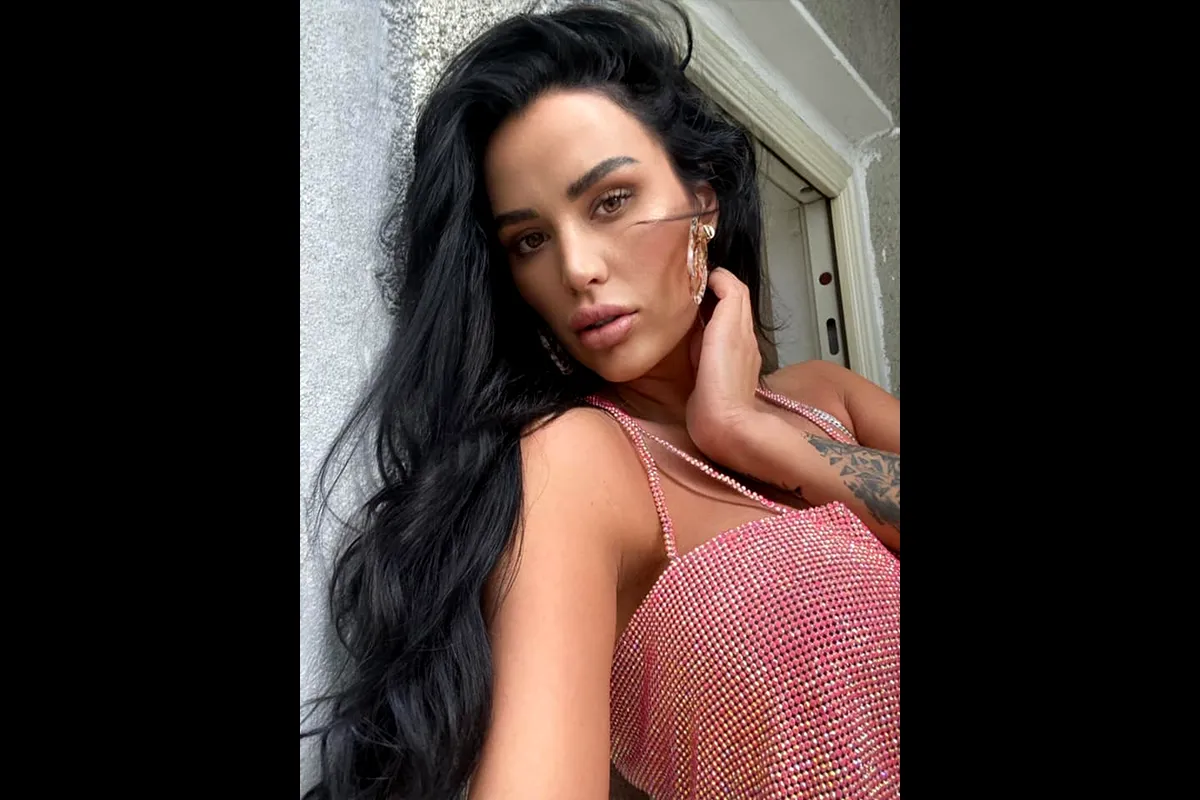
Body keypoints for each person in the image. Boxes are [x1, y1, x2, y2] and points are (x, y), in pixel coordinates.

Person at [301, 2, 899, 798]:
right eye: (530, 240)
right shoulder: (578, 463)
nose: (577, 267)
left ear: (703, 203)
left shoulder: (828, 397)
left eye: (610, 201)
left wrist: (754, 431)